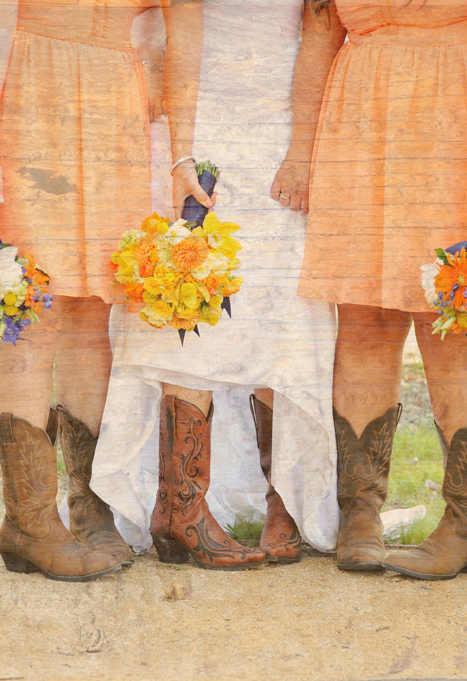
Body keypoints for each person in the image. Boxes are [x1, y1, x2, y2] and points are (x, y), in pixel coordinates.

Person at [0, 0, 208, 580]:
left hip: (113, 100)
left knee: (93, 312)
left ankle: (88, 509)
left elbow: (185, 30)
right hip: (29, 92)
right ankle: (28, 519)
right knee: (33, 309)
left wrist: (182, 153)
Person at [278, 0, 467, 576]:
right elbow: (320, 36)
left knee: (454, 324)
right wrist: (302, 148)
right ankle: (360, 512)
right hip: (358, 120)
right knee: (362, 320)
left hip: (456, 122)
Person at [89, 0, 340, 570]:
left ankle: (286, 497)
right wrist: (182, 148)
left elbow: (322, 31)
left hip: (281, 120)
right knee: (191, 302)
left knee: (281, 311)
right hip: (200, 121)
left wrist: (303, 147)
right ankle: (181, 508)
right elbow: (175, 25)